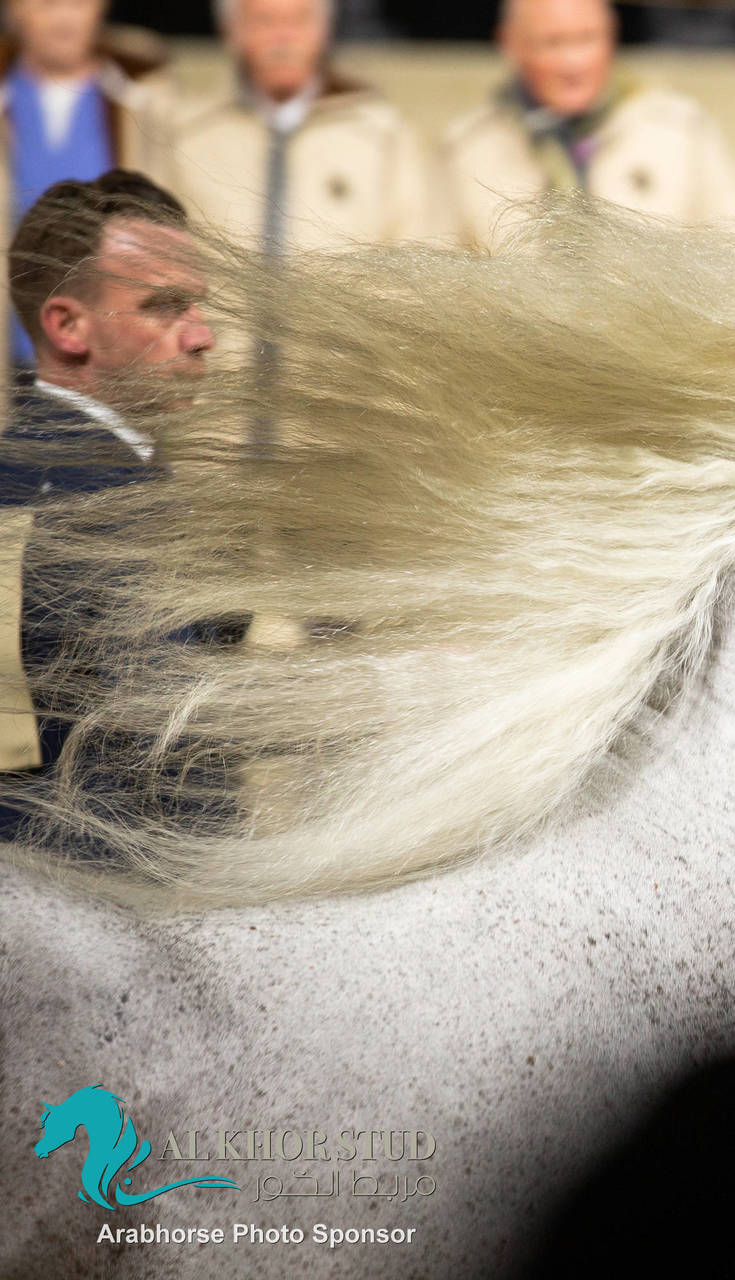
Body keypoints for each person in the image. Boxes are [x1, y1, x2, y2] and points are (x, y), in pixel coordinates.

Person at [0, 169, 223, 835]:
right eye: (165, 306)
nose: (202, 336)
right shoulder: (110, 507)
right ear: (69, 325)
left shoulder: (27, 470)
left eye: (199, 306)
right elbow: (170, 773)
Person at [441, 0, 735, 251]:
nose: (573, 64)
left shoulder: (680, 130)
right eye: (553, 43)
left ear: (611, 35)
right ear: (511, 43)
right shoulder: (467, 147)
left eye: (587, 38)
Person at [165, 0, 436, 255]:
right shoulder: (186, 135)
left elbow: (419, 250)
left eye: (299, 19)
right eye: (264, 21)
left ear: (325, 28)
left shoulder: (384, 136)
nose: (283, 37)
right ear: (231, 32)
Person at [1, 0, 176, 371]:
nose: (63, 18)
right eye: (46, 5)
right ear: (13, 10)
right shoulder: (9, 98)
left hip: (116, 354)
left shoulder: (144, 100)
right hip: (15, 353)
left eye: (78, 3)